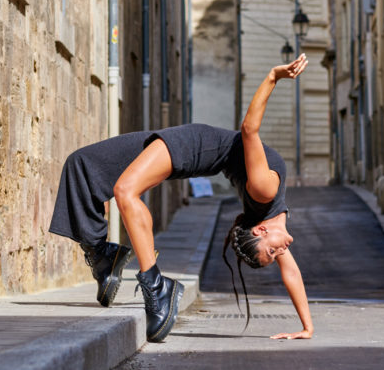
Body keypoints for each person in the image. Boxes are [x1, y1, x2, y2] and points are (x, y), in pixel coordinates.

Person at [49, 54, 313, 342]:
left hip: (190, 150)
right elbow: (249, 130)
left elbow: (292, 276)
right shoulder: (266, 191)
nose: (280, 253)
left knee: (119, 186)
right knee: (86, 165)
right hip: (191, 144)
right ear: (261, 230)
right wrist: (273, 77)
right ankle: (135, 274)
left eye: (272, 255)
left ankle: (120, 266)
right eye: (274, 252)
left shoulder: (265, 219)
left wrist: (307, 328)